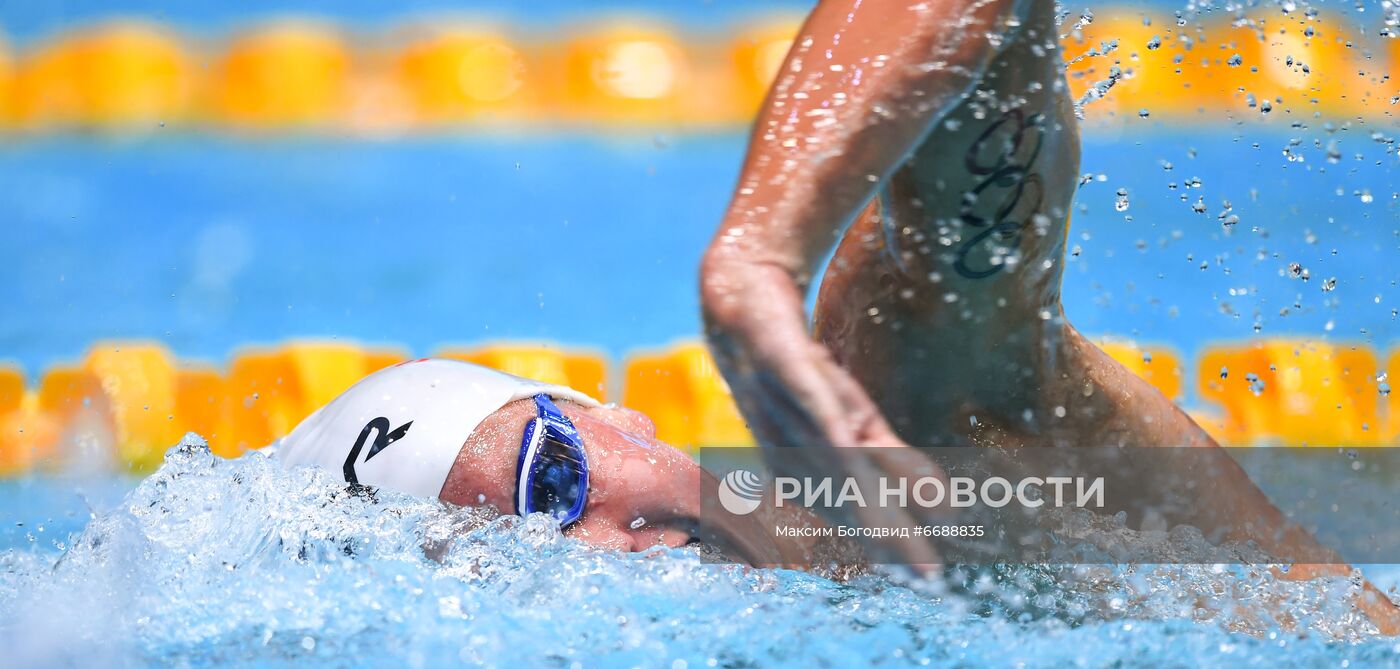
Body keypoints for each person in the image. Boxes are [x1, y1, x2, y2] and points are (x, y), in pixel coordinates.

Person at [697, 0, 1400, 631]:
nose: (599, 535)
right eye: (575, 536)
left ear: (619, 417)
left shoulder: (912, 396)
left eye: (577, 472)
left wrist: (755, 257)